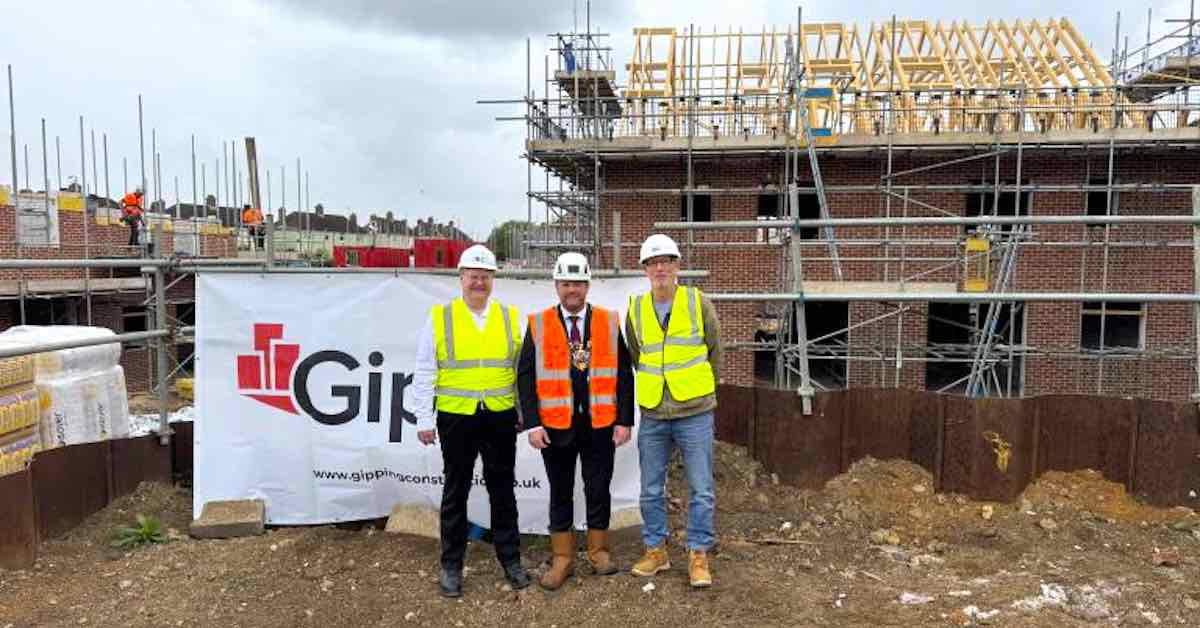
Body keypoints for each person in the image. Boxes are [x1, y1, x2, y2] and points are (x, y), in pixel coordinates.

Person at [411, 243, 532, 598]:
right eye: (473, 276)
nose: (479, 282)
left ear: (493, 279)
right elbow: (423, 370)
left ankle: (511, 561)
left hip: (499, 415)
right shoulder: (440, 317)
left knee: (502, 491)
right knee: (455, 491)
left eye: (485, 276)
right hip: (455, 418)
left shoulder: (511, 317)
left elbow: (519, 372)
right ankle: (451, 566)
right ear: (461, 278)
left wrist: (524, 414)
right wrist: (423, 418)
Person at [516, 252, 635, 590]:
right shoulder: (538, 324)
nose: (573, 290)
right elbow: (525, 377)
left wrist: (624, 420)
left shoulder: (609, 322)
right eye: (566, 283)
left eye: (578, 283)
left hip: (600, 424)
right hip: (555, 428)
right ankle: (562, 559)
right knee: (560, 491)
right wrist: (532, 423)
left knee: (598, 489)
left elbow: (624, 375)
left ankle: (599, 552)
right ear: (556, 286)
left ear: (588, 286)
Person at [626, 233, 722, 588]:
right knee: (650, 488)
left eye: (666, 261)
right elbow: (636, 355)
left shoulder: (699, 303)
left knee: (701, 488)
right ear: (645, 270)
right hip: (653, 411)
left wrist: (702, 391)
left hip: (694, 410)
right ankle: (656, 550)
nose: (660, 268)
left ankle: (698, 553)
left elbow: (715, 350)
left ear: (678, 266)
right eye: (653, 262)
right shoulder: (635, 309)